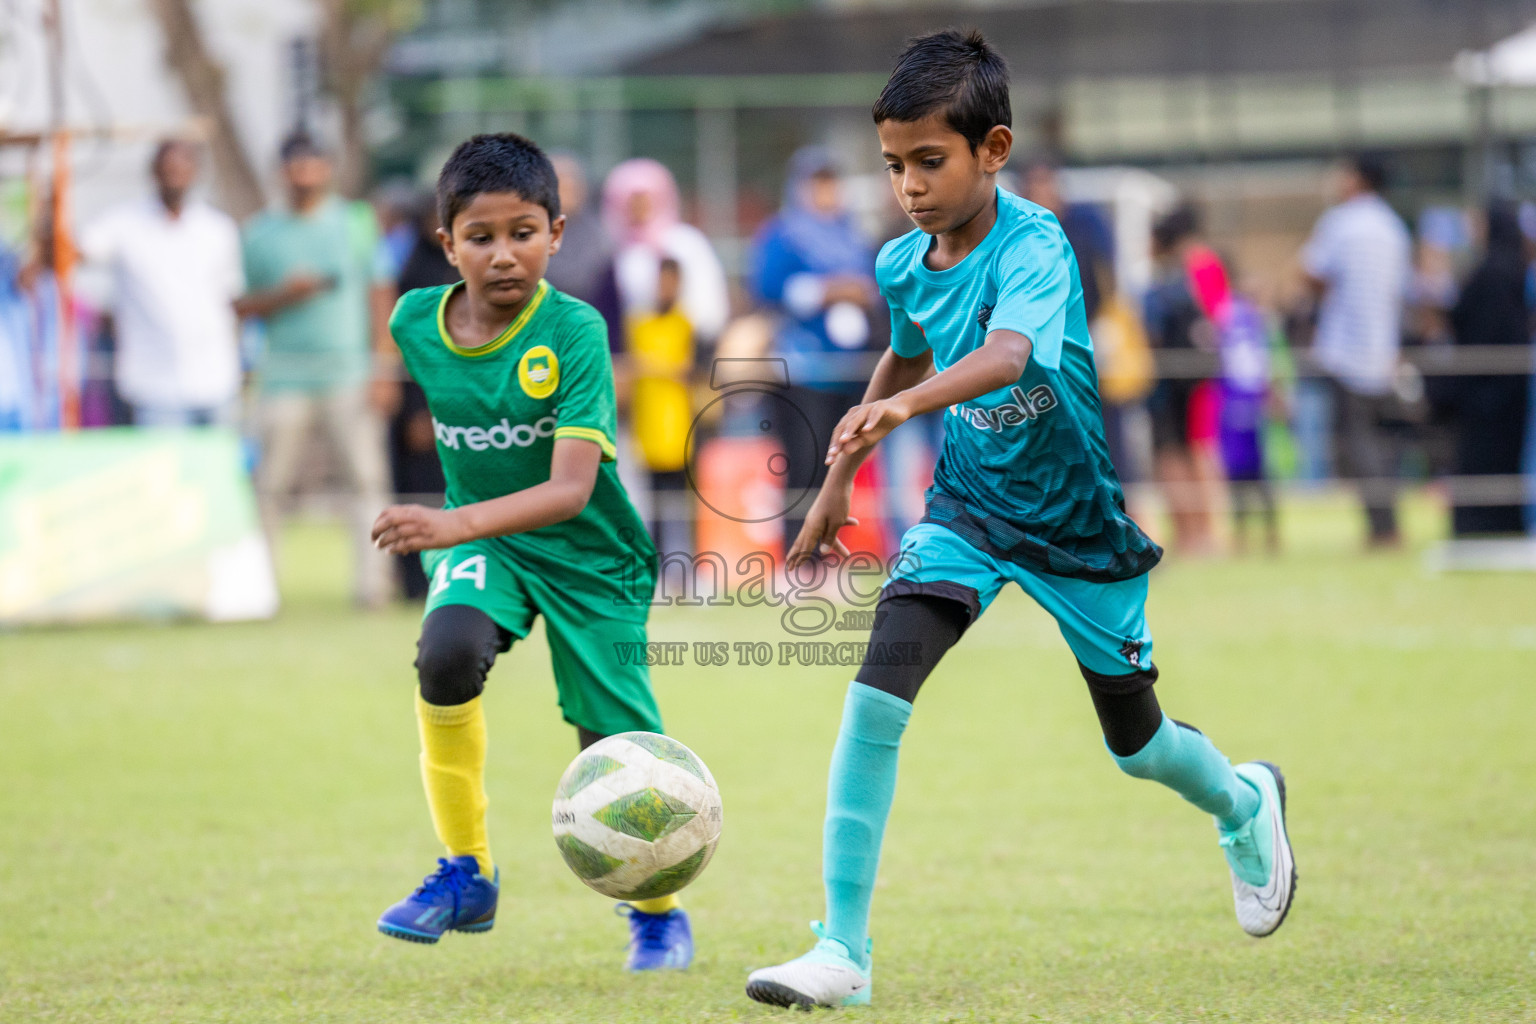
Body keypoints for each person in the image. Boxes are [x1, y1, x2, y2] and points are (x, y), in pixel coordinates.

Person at [745, 30, 1296, 1010]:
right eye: (893, 165)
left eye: (929, 161)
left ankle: (1245, 801)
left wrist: (901, 409)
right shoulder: (903, 261)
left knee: (1139, 745)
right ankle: (842, 949)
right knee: (878, 691)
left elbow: (1004, 359)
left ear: (990, 150)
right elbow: (904, 361)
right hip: (967, 506)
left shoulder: (1036, 242)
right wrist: (836, 482)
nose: (908, 185)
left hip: (1078, 524)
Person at [369, 133, 693, 970]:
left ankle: (657, 912)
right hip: (493, 547)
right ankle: (466, 870)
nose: (504, 254)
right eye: (480, 237)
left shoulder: (577, 331)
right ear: (447, 245)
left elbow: (569, 491)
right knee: (444, 655)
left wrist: (445, 524)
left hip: (592, 557)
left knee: (610, 746)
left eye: (523, 232)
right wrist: (459, 521)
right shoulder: (416, 323)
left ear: (556, 230)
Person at [238, 132, 393, 606]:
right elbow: (241, 304)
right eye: (295, 165)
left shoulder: (355, 222)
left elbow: (379, 295)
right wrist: (287, 293)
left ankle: (372, 588)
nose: (304, 173)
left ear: (328, 167)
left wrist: (383, 366)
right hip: (284, 374)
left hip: (348, 372)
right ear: (280, 171)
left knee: (366, 481)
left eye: (313, 163)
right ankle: (258, 590)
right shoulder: (259, 232)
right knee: (269, 486)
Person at [750, 146, 882, 548]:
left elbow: (876, 284)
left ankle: (826, 554)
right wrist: (824, 291)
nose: (826, 191)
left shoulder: (851, 232)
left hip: (847, 368)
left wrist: (861, 293)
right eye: (818, 182)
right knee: (802, 465)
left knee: (836, 470)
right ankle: (796, 554)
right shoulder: (783, 233)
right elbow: (767, 289)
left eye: (831, 181)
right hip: (801, 367)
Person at [79, 138, 244, 427]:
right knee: (165, 471)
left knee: (217, 470)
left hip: (215, 381)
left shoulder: (218, 229)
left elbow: (232, 298)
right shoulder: (124, 223)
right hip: (153, 386)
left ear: (196, 173)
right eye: (168, 169)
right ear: (154, 173)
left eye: (182, 168)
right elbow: (74, 253)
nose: (175, 177)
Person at [1300, 154, 1412, 548]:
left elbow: (1311, 272)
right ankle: (1389, 522)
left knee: (1357, 445)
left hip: (1346, 352)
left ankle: (1381, 528)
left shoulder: (1341, 222)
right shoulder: (1393, 228)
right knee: (1382, 444)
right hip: (1382, 349)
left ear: (1357, 179)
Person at [1446, 202, 1531, 536]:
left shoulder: (1493, 271)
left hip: (1490, 391)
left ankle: (1485, 526)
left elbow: (1486, 328)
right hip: (1505, 388)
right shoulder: (1515, 267)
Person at [1144, 206, 1219, 553]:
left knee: (1179, 455)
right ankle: (1203, 532)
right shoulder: (1199, 268)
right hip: (1200, 377)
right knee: (1198, 452)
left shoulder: (1172, 279)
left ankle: (1196, 534)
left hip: (1174, 381)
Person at [626, 257, 697, 553]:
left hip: (680, 424)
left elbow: (692, 369)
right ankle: (657, 565)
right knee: (652, 501)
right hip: (650, 424)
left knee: (682, 502)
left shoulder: (686, 324)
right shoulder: (639, 324)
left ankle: (686, 567)